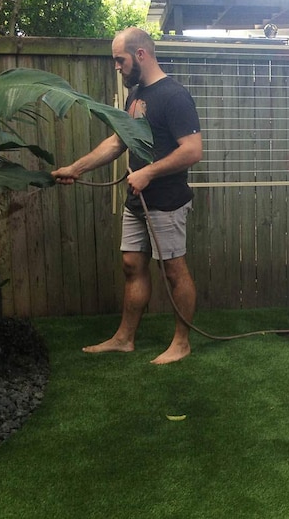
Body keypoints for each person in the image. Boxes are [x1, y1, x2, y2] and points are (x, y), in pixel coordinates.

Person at [51, 27, 203, 365]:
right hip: (137, 200)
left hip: (166, 200)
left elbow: (192, 150)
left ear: (140, 55)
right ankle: (124, 339)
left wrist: (149, 172)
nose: (117, 67)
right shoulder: (135, 94)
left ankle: (181, 343)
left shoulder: (174, 96)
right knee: (132, 265)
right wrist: (76, 168)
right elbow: (118, 142)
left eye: (120, 60)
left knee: (174, 271)